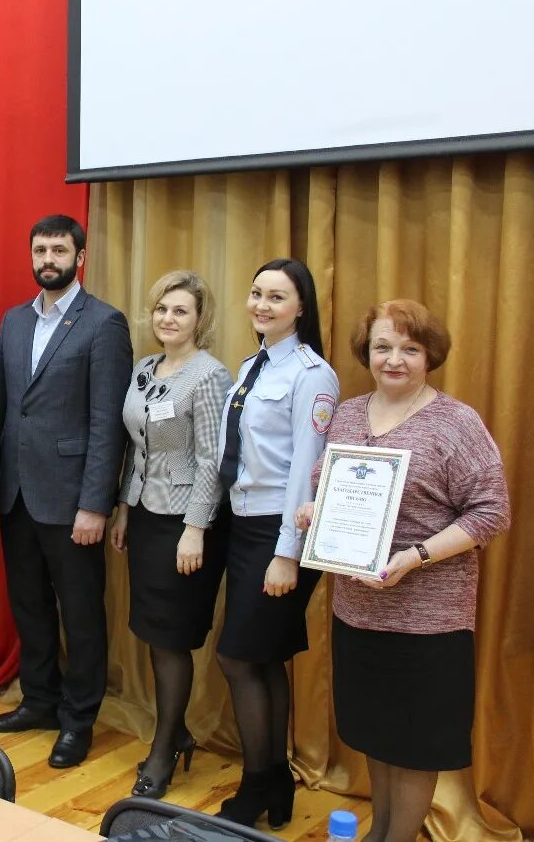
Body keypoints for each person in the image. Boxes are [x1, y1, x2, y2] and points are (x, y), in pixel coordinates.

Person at [296, 300, 508, 842]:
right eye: (383, 347)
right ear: (366, 353)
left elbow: (491, 511)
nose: (394, 359)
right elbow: (330, 487)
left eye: (409, 349)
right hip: (358, 611)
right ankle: (381, 834)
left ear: (429, 355)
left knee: (415, 745)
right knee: (378, 735)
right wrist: (312, 512)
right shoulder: (347, 412)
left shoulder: (455, 422)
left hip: (428, 620)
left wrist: (415, 557)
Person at [0, 214, 134, 768]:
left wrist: (96, 503)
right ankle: (39, 700)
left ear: (80, 257)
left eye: (59, 251)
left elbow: (107, 423)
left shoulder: (104, 324)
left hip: (73, 501)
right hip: (18, 495)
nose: (49, 259)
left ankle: (77, 720)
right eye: (40, 250)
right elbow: (1, 408)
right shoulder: (15, 320)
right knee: (30, 606)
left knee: (81, 613)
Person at [213, 258, 338, 827]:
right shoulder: (252, 366)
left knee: (238, 657)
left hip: (279, 531)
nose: (262, 305)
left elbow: (305, 470)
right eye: (256, 292)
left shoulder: (312, 374)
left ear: (301, 307)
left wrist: (287, 552)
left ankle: (256, 785)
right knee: (262, 661)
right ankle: (277, 783)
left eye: (277, 297)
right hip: (244, 526)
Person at [109, 271, 231, 797]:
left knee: (172, 637)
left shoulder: (209, 376)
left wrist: (195, 528)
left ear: (199, 320)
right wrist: (120, 509)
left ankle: (163, 749)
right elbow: (135, 446)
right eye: (161, 309)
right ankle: (176, 730)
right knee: (151, 630)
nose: (167, 319)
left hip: (185, 521)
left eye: (180, 311)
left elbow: (212, 459)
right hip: (144, 512)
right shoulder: (144, 369)